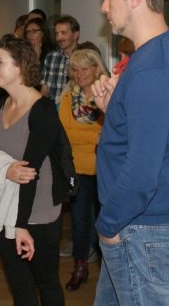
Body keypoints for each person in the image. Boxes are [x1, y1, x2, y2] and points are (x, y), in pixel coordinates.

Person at [92, 0, 169, 305]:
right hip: (134, 224)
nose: (104, 7)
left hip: (138, 226)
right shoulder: (156, 53)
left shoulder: (152, 70)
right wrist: (113, 110)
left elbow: (142, 172)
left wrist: (108, 226)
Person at [0, 34, 75, 305]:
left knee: (46, 284)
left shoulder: (42, 111)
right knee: (20, 288)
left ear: (21, 66)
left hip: (37, 213)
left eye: (0, 62)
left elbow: (29, 172)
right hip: (5, 208)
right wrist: (5, 170)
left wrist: (20, 225)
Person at [58, 49, 109, 291]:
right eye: (75, 70)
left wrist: (95, 138)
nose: (79, 74)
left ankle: (110, 271)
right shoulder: (68, 99)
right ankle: (80, 267)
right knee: (79, 223)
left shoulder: (109, 98)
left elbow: (112, 134)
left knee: (105, 223)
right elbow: (64, 135)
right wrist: (94, 137)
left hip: (105, 170)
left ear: (97, 69)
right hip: (77, 171)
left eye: (84, 69)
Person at [40, 15, 81, 104]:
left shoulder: (84, 58)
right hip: (53, 109)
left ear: (76, 35)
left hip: (76, 110)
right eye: (57, 33)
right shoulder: (51, 58)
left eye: (63, 33)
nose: (59, 38)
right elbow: (44, 91)